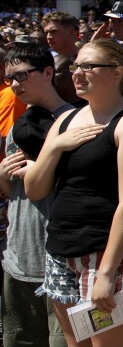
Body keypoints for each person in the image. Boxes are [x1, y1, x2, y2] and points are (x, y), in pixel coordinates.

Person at [25, 38, 123, 347]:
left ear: (117, 73)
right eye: (75, 66)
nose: (77, 73)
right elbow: (35, 189)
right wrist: (55, 146)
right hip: (60, 250)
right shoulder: (66, 120)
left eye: (88, 66)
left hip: (105, 255)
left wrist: (107, 272)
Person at [0, 42, 72, 347]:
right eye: (9, 78)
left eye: (22, 76)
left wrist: (41, 169)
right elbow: (10, 192)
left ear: (47, 71)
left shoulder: (74, 122)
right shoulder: (18, 125)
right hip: (18, 257)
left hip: (61, 260)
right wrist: (2, 176)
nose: (15, 85)